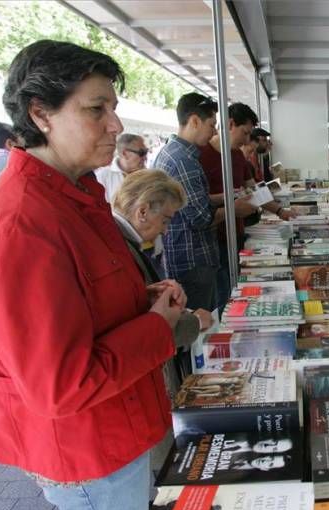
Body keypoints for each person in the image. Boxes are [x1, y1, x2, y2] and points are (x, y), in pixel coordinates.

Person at [0, 40, 185, 510]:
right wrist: (156, 326)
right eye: (95, 109)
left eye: (114, 107)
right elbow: (60, 383)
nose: (116, 124)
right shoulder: (23, 221)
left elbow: (80, 302)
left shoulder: (72, 194)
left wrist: (138, 301)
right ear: (40, 114)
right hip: (87, 448)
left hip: (112, 432)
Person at [110, 168, 214, 482]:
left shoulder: (120, 242)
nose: (167, 230)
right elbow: (144, 320)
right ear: (142, 211)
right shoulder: (121, 247)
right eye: (166, 220)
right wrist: (195, 321)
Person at [152, 93, 223, 313]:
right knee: (201, 324)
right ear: (194, 121)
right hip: (194, 260)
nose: (214, 132)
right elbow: (201, 218)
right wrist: (232, 210)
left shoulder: (170, 153)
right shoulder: (184, 162)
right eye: (211, 125)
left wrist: (223, 197)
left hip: (179, 256)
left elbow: (188, 203)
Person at [199, 102, 265, 314]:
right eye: (245, 133)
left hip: (236, 234)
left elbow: (255, 190)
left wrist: (281, 210)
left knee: (234, 289)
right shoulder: (200, 155)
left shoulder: (237, 156)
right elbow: (196, 201)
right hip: (210, 239)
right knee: (220, 296)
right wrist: (231, 199)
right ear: (229, 124)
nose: (247, 141)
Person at [95, 132, 148, 203]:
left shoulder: (148, 176)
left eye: (146, 152)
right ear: (125, 154)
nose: (145, 158)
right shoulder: (102, 177)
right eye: (142, 153)